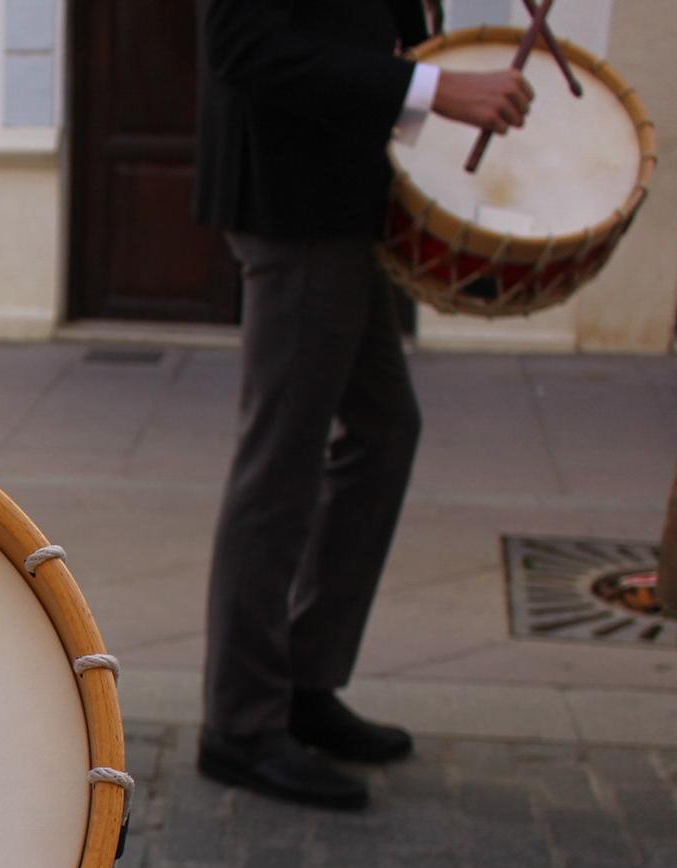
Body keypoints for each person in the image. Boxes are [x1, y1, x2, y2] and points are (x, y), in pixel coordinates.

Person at [192, 0, 533, 810]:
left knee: (384, 431)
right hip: (292, 198)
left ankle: (301, 683)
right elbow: (247, 47)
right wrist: (430, 86)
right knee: (282, 462)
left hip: (346, 193)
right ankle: (240, 725)